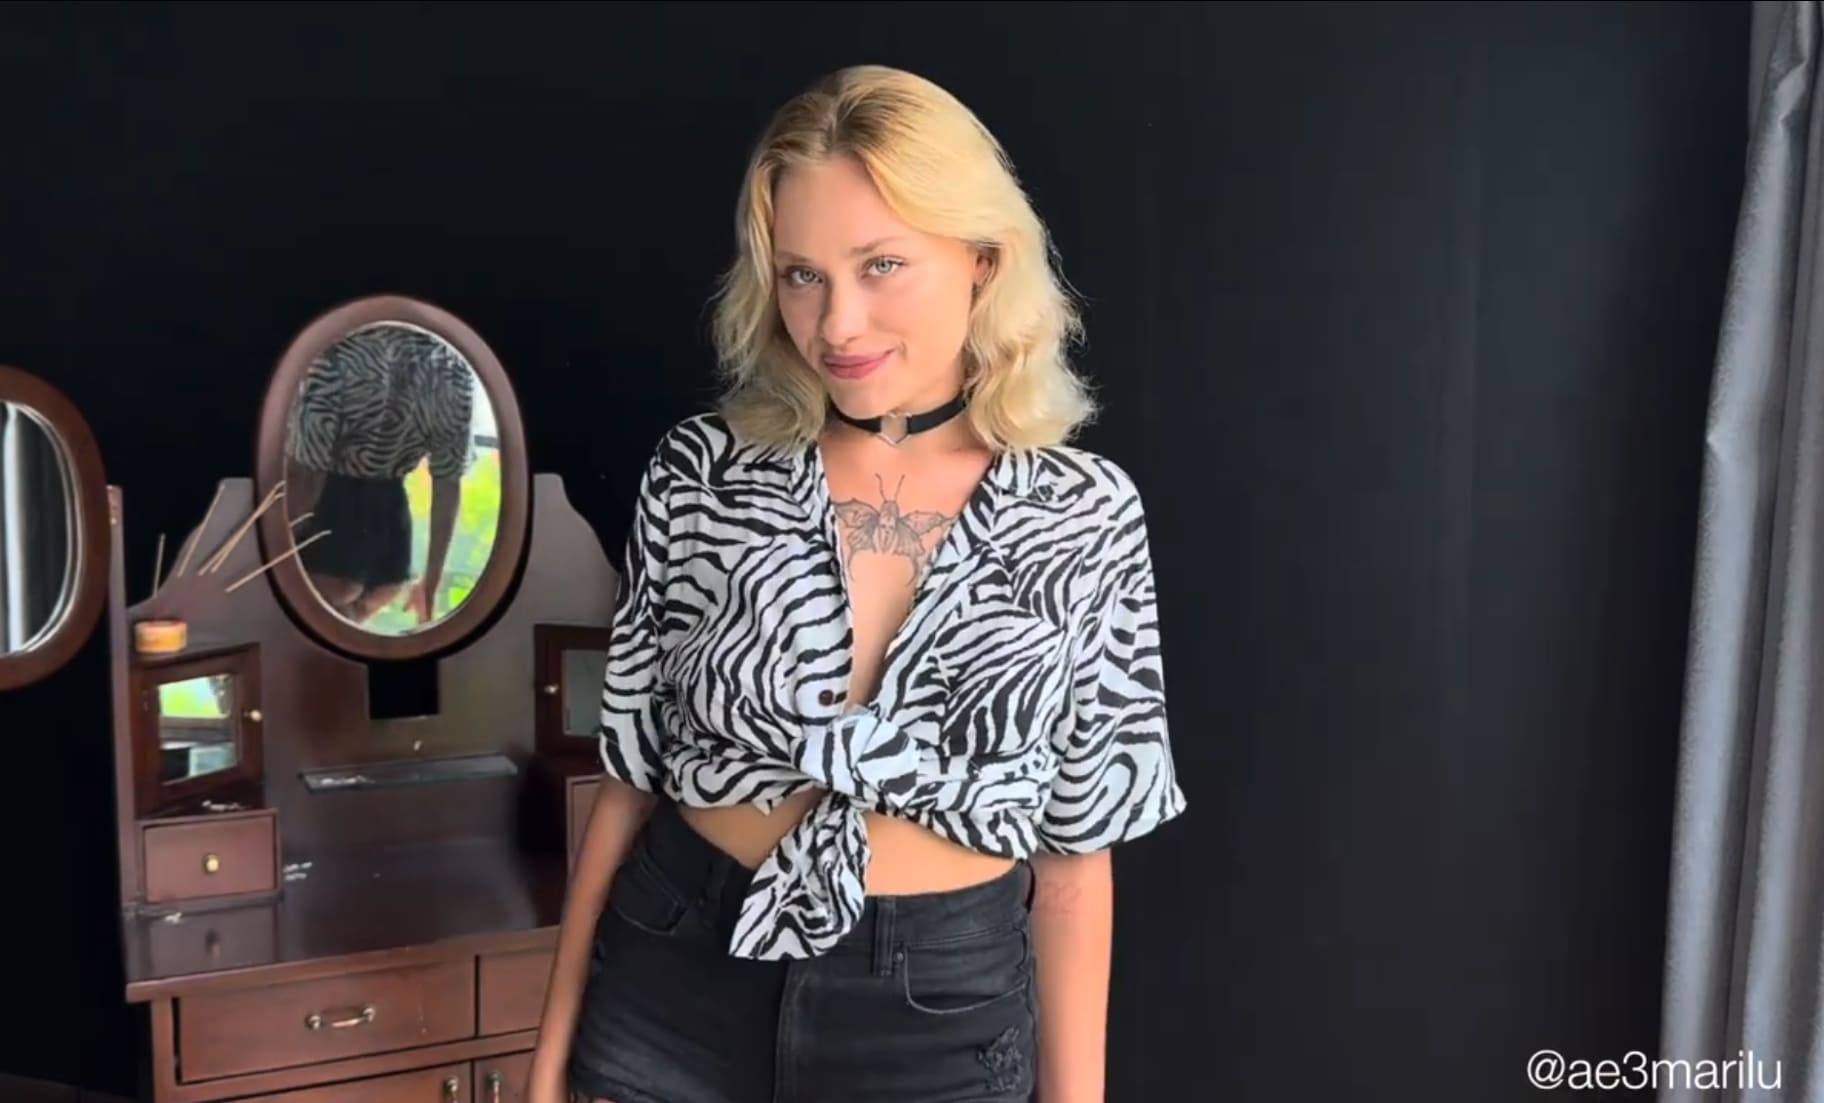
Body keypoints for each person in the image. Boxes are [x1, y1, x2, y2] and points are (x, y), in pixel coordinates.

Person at [529, 64, 1186, 1103]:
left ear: (981, 260)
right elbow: (629, 777)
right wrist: (550, 1052)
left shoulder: (1083, 514)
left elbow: (1072, 862)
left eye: (881, 265)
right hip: (674, 983)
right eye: (802, 275)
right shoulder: (703, 472)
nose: (836, 323)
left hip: (935, 1019)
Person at [282, 323, 475, 627]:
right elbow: (448, 485)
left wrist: (277, 551)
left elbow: (306, 474)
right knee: (350, 639)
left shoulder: (339, 352)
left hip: (331, 517)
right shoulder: (454, 368)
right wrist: (431, 581)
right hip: (392, 535)